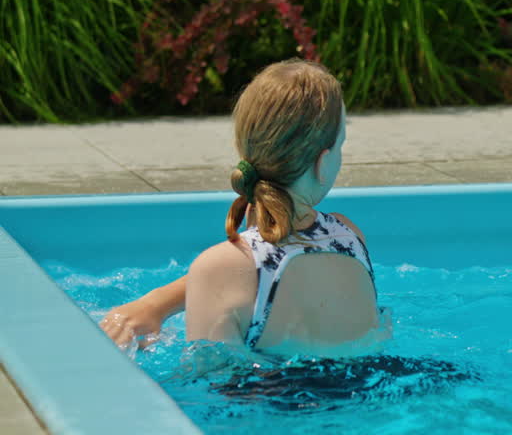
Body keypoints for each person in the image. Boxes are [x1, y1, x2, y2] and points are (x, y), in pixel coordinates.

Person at [99, 59, 379, 352]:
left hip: (270, 395)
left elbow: (210, 377)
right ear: (322, 163)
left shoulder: (219, 267)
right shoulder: (350, 237)